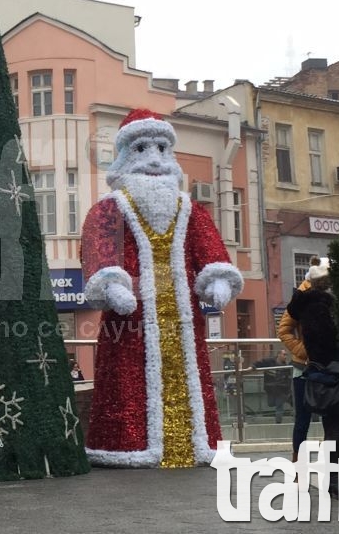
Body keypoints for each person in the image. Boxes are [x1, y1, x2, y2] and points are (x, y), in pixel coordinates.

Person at [81, 108, 243, 468]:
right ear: (124, 156)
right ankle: (128, 448)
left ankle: (196, 446)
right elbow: (99, 248)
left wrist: (218, 279)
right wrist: (110, 282)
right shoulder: (108, 209)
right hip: (131, 324)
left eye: (161, 148)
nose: (153, 159)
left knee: (191, 380)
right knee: (127, 383)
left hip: (183, 324)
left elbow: (210, 251)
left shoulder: (191, 209)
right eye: (141, 149)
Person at [285, 258, 339, 497]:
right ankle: (308, 473)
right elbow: (284, 329)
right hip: (317, 369)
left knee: (321, 423)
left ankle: (327, 477)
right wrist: (305, 352)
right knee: (317, 422)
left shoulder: (302, 301)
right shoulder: (333, 301)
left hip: (316, 369)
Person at [277, 256, 320, 462]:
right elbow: (284, 330)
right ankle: (298, 467)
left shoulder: (328, 295)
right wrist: (304, 349)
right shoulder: (301, 296)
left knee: (334, 418)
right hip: (303, 367)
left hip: (329, 364)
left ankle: (333, 471)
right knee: (303, 419)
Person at [251, 349, 291, 423]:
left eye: (286, 355)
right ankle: (287, 400)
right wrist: (253, 366)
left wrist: (287, 388)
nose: (285, 356)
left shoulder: (286, 366)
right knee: (271, 403)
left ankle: (278, 422)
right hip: (270, 388)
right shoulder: (269, 362)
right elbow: (260, 363)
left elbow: (288, 378)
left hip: (281, 389)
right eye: (284, 354)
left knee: (279, 405)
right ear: (279, 354)